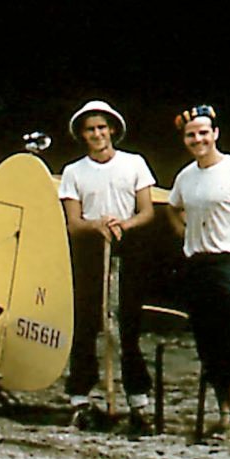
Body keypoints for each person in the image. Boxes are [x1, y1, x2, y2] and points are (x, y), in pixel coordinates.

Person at [168, 104, 230, 443]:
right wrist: (187, 234)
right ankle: (223, 415)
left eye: (203, 133)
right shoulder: (185, 177)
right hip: (198, 265)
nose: (198, 140)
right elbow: (173, 208)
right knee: (207, 345)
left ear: (215, 134)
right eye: (190, 135)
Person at [58, 100, 156, 434]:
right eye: (90, 129)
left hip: (126, 248)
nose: (97, 134)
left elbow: (147, 212)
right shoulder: (74, 171)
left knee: (126, 326)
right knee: (86, 324)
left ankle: (138, 402)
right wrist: (96, 225)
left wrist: (123, 225)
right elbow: (73, 222)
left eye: (102, 127)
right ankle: (80, 399)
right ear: (82, 135)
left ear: (112, 129)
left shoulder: (134, 164)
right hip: (89, 250)